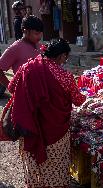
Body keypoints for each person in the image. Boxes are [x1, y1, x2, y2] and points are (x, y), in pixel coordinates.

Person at [8, 38, 86, 187]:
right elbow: (78, 100)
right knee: (56, 166)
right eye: (66, 57)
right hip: (56, 131)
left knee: (33, 164)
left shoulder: (27, 67)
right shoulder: (66, 77)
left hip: (30, 127)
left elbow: (12, 87)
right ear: (62, 56)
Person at [0, 15, 43, 95]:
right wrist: (12, 88)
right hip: (25, 96)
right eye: (36, 33)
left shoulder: (39, 46)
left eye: (41, 33)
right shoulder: (16, 48)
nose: (39, 37)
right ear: (25, 31)